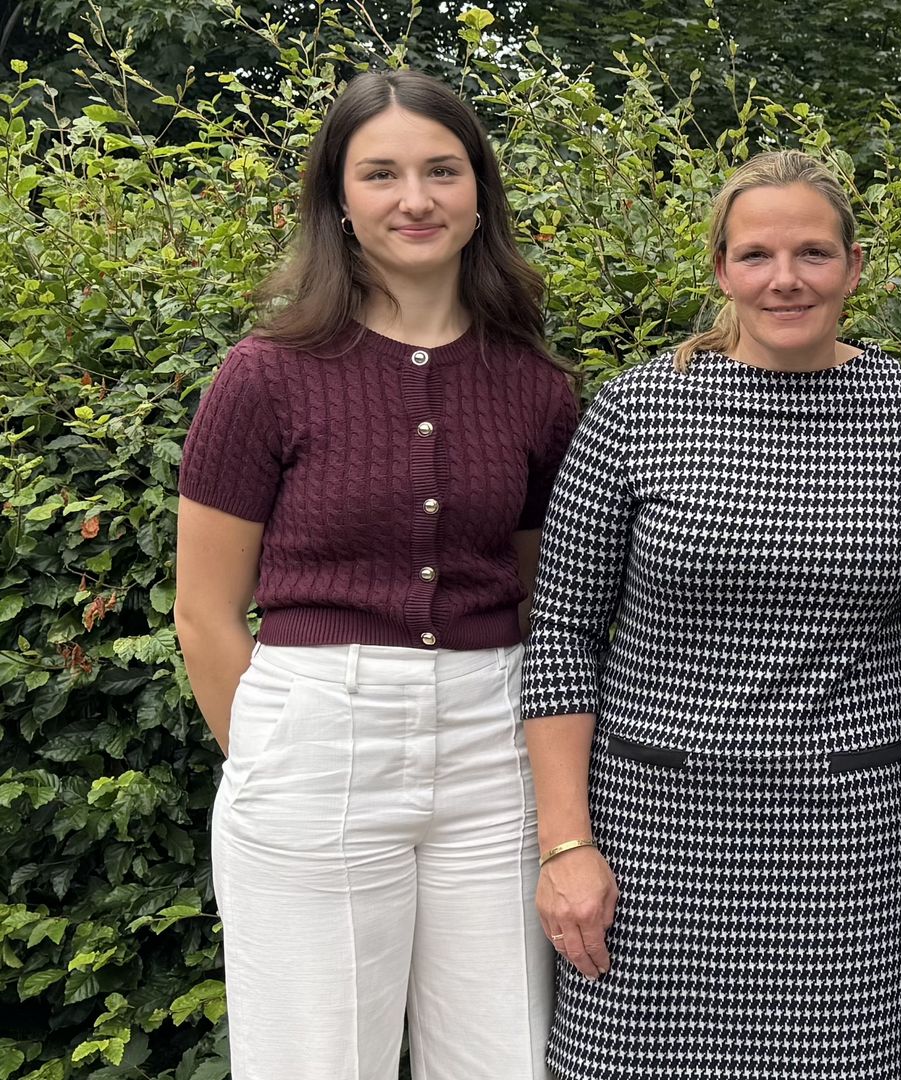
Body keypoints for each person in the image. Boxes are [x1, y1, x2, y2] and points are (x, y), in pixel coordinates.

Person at [174, 70, 579, 1079]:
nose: (416, 199)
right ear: (339, 199)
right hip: (315, 737)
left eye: (442, 171)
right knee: (314, 1058)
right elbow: (205, 610)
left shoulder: (533, 385)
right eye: (383, 174)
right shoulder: (265, 374)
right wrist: (268, 753)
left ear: (478, 191)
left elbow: (537, 596)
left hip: (493, 748)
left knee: (503, 1056)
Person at [520, 149, 901, 1079]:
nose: (785, 279)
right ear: (721, 269)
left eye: (813, 253)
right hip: (650, 837)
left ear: (855, 265)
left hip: (841, 836)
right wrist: (566, 846)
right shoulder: (638, 409)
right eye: (756, 255)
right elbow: (559, 634)